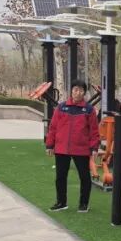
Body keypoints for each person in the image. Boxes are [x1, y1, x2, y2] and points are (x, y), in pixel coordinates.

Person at [45, 79, 100, 213]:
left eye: (81, 90)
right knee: (60, 177)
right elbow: (53, 127)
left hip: (81, 149)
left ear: (84, 93)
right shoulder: (61, 107)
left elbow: (94, 130)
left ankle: (83, 204)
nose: (78, 92)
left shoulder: (89, 110)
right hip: (61, 149)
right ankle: (61, 202)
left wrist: (94, 148)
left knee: (84, 177)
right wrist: (49, 145)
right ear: (71, 91)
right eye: (75, 89)